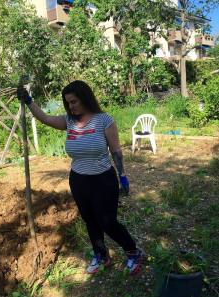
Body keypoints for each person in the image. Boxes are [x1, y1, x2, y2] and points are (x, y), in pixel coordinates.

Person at [17, 80, 143, 275]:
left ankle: (133, 252)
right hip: (78, 180)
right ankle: (101, 255)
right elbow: (46, 119)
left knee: (107, 221)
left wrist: (123, 176)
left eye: (74, 102)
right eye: (68, 103)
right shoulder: (69, 121)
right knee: (89, 220)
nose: (71, 107)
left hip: (103, 179)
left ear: (85, 98)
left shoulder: (104, 120)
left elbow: (116, 151)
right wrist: (29, 101)